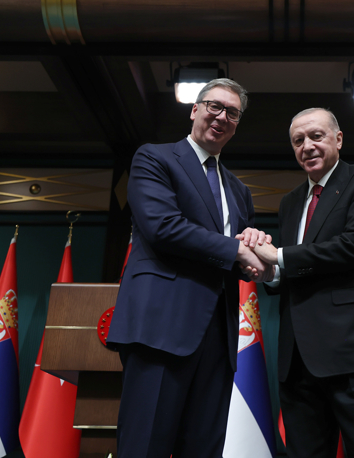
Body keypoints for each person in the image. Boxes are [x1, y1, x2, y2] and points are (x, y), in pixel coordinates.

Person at [107, 78, 272, 458]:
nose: (222, 116)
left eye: (233, 113)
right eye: (215, 106)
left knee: (203, 449)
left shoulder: (239, 190)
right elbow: (163, 227)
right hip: (160, 327)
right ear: (195, 110)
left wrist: (255, 247)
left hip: (219, 336)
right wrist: (237, 249)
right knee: (145, 446)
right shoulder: (154, 158)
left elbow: (235, 258)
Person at [252, 108, 354, 458]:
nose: (307, 146)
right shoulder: (290, 202)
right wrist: (269, 272)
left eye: (316, 136)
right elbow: (293, 268)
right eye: (298, 141)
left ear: (338, 139)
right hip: (298, 361)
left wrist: (279, 256)